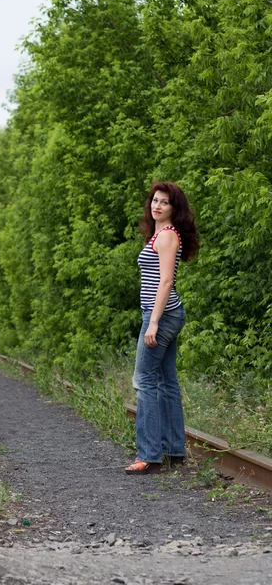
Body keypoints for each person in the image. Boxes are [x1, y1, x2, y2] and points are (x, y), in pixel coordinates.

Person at [125, 181, 199, 475]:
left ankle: (149, 455)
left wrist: (153, 322)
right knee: (166, 382)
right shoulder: (160, 235)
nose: (157, 205)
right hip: (165, 315)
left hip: (162, 316)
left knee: (144, 381)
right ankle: (173, 451)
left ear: (174, 208)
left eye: (164, 202)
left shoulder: (167, 237)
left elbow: (166, 281)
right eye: (155, 200)